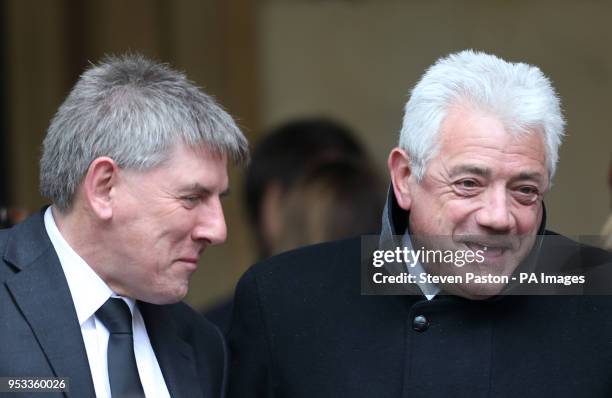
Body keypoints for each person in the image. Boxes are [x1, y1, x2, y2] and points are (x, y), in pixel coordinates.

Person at [227, 50, 612, 397]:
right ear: (405, 177)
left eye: (525, 190)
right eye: (468, 184)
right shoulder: (285, 299)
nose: (499, 216)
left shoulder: (599, 292)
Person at [0, 54, 248, 397]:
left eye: (220, 198)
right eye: (192, 198)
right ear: (104, 188)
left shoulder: (201, 345)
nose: (217, 230)